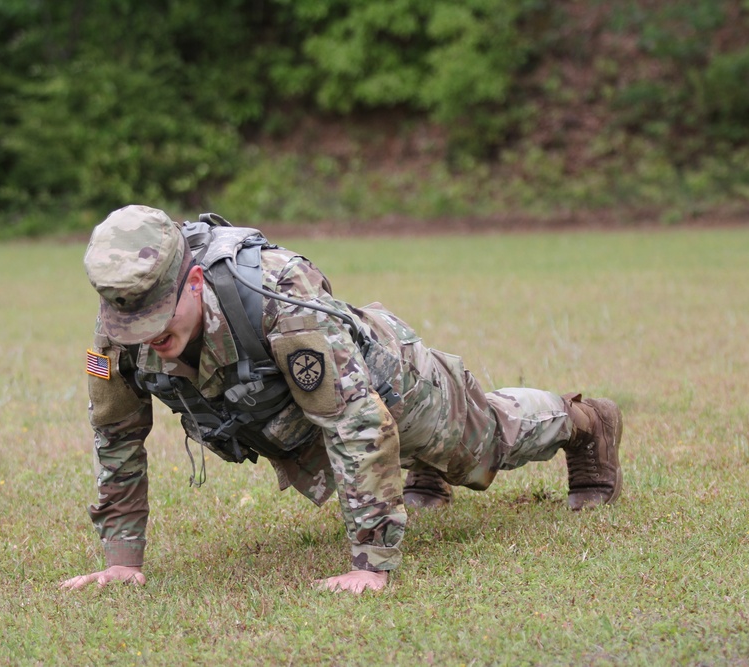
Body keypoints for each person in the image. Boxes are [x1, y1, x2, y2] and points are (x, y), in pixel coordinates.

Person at [60, 205, 623, 594]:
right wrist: (122, 562)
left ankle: (587, 422)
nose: (147, 336)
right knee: (397, 452)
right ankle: (421, 475)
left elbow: (357, 421)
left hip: (388, 383)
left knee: (486, 444)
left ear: (197, 281)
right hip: (310, 415)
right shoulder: (119, 334)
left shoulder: (276, 296)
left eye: (159, 315)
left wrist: (371, 564)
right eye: (131, 322)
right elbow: (116, 437)